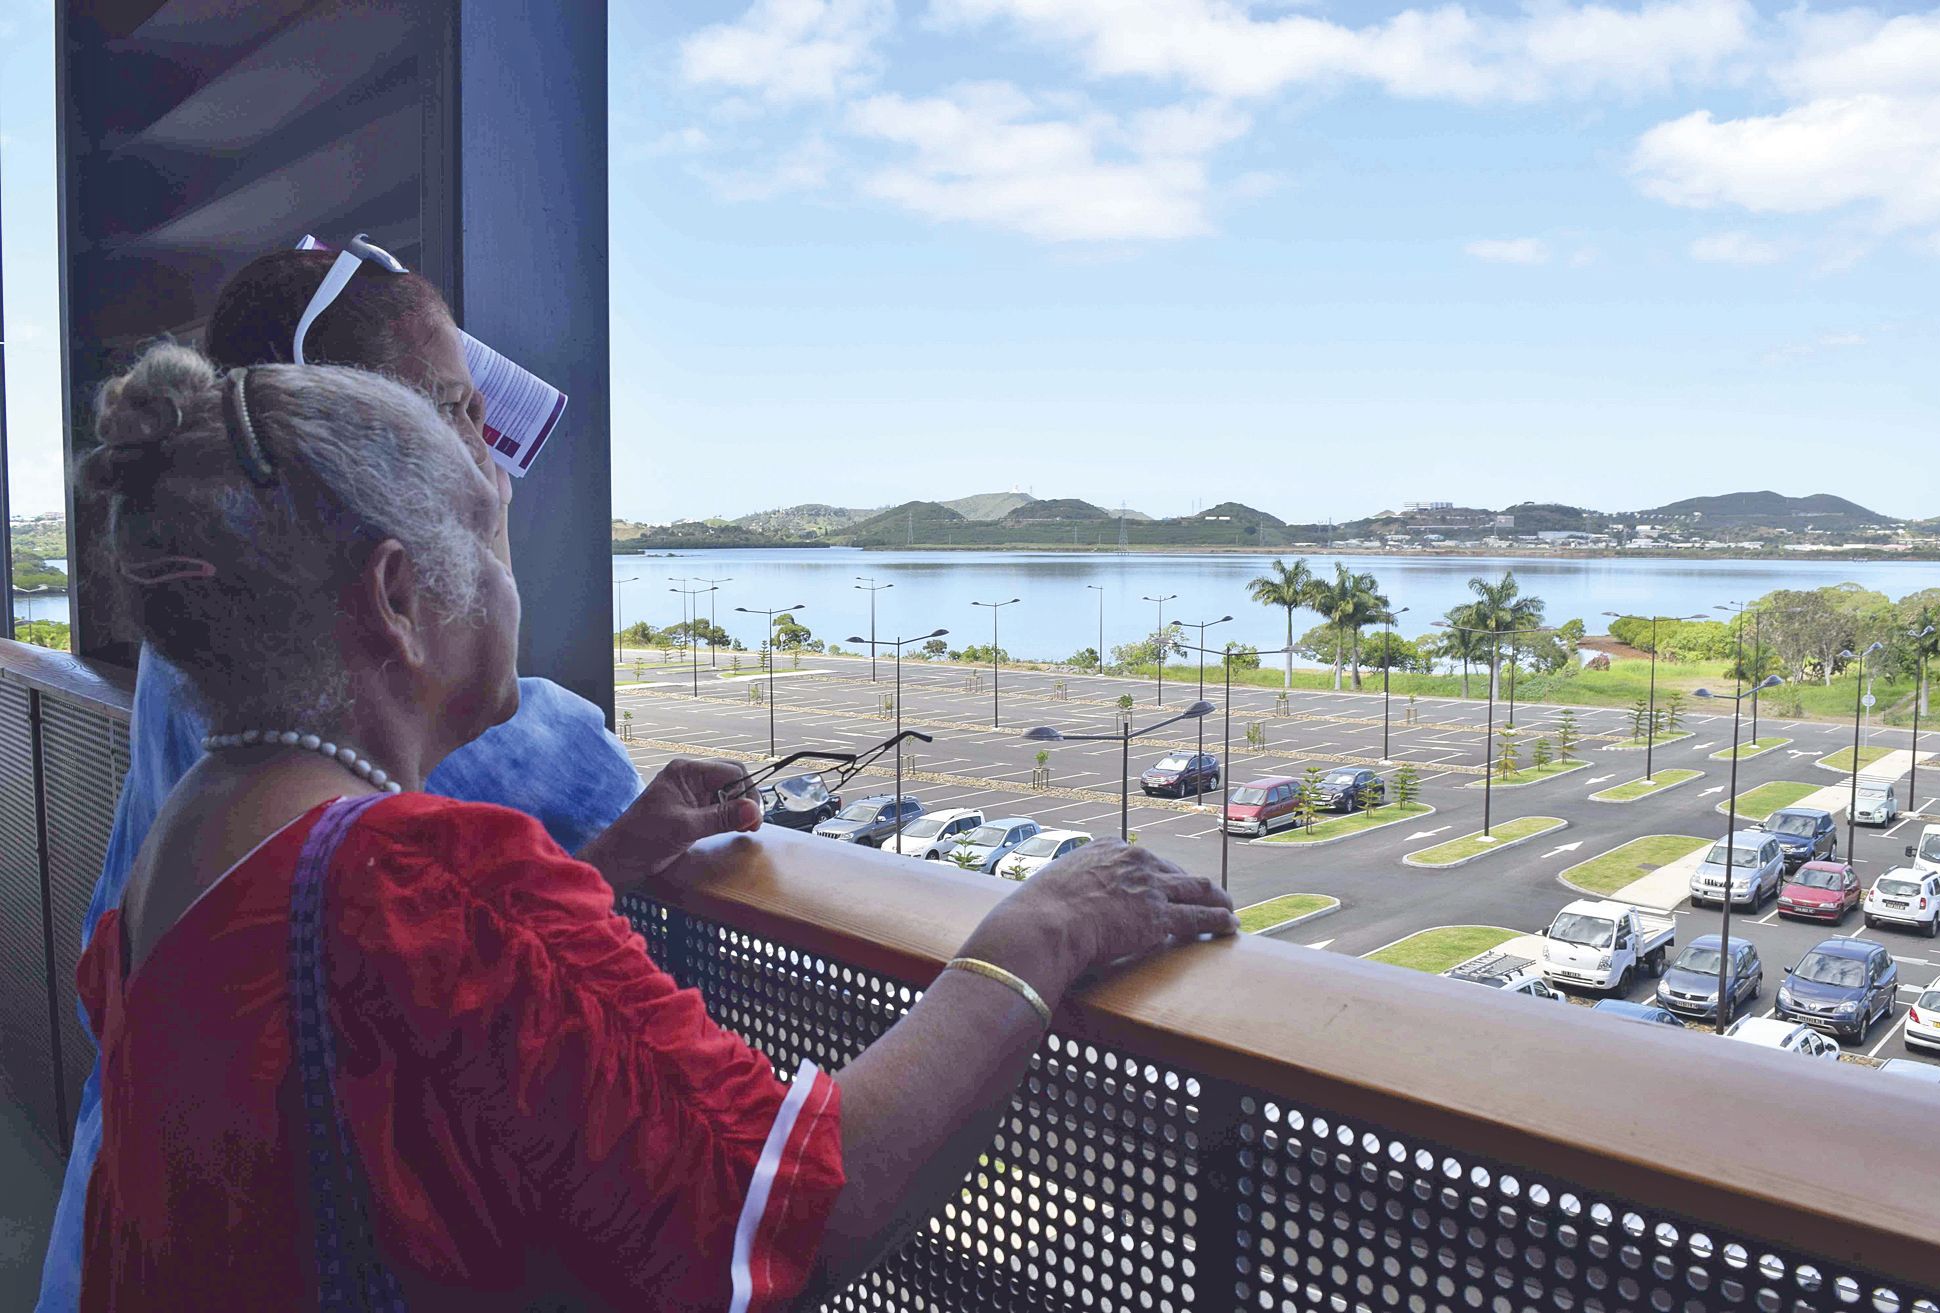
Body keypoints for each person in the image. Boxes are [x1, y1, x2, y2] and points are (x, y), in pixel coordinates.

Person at [70, 342, 1238, 1309]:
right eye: (488, 534)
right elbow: (776, 1216)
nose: (510, 579)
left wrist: (599, 871)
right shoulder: (423, 877)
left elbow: (383, 1064)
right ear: (395, 598)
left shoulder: (193, 839)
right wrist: (1031, 938)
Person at [33, 246, 726, 1311]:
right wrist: (477, 551)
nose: (486, 443)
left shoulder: (204, 666)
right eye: (455, 406)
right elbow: (558, 785)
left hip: (129, 1226)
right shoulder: (408, 736)